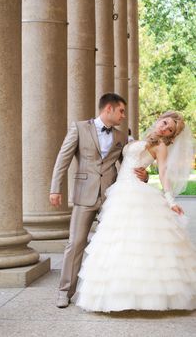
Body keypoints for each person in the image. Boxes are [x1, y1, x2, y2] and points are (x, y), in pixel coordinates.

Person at [75, 111, 196, 312]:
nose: (164, 128)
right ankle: (115, 294)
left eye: (170, 129)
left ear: (171, 135)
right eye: (165, 123)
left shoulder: (161, 146)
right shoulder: (138, 139)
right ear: (159, 119)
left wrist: (169, 199)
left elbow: (164, 173)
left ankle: (142, 297)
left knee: (136, 243)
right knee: (116, 241)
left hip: (134, 193)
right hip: (119, 190)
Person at [49, 93, 148, 308]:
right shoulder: (79, 128)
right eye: (121, 111)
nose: (123, 116)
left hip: (111, 197)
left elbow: (128, 164)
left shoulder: (121, 136)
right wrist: (55, 189)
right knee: (75, 243)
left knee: (111, 245)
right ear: (109, 109)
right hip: (84, 194)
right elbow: (62, 159)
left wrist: (145, 176)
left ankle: (108, 293)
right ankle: (64, 292)